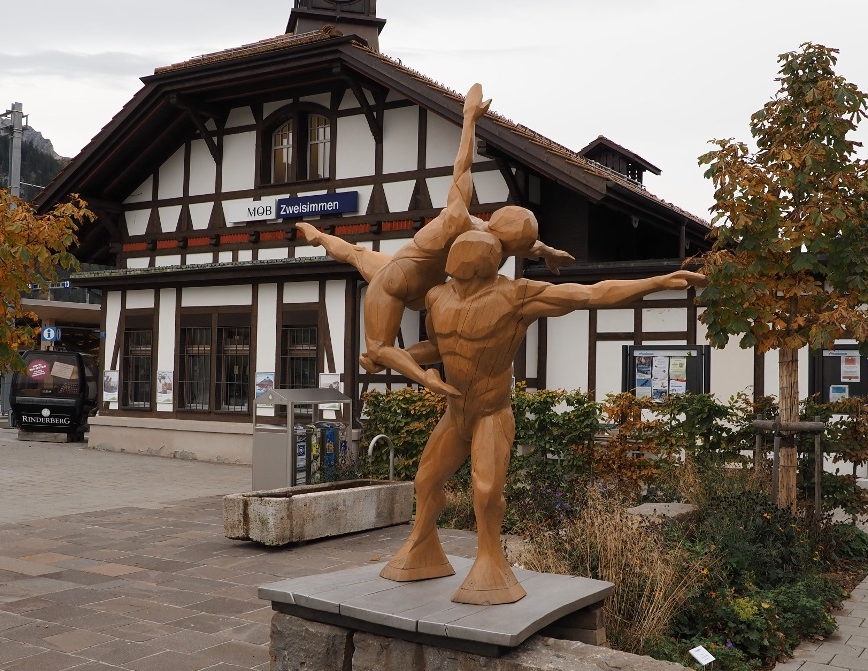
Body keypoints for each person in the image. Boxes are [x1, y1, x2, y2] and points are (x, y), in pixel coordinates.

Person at [384, 229, 706, 604]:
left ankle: (490, 562)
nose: (461, 261)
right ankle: (423, 551)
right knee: (425, 480)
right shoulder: (436, 297)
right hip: (456, 412)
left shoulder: (516, 295)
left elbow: (590, 294)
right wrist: (394, 356)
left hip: (491, 412)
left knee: (486, 492)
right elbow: (437, 348)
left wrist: (656, 282)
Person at [296, 84, 574, 397]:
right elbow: (462, 167)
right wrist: (468, 119)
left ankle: (318, 236)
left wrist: (548, 251)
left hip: (419, 280)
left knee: (355, 254)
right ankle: (422, 376)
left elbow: (525, 243)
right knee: (378, 345)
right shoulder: (460, 220)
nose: (505, 252)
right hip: (395, 284)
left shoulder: (488, 230)